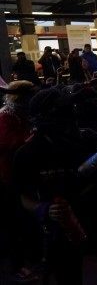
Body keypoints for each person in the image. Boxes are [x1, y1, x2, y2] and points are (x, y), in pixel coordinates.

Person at [12, 87, 97, 285]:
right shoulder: (28, 153)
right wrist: (43, 209)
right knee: (68, 277)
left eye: (70, 108)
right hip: (63, 224)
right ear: (43, 118)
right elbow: (22, 196)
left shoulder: (88, 138)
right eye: (62, 111)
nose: (70, 114)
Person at [0, 81, 40, 283]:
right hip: (9, 178)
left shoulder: (23, 115)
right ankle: (18, 265)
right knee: (15, 223)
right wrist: (33, 138)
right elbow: (13, 143)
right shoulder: (6, 117)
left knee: (27, 221)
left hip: (24, 176)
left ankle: (31, 258)